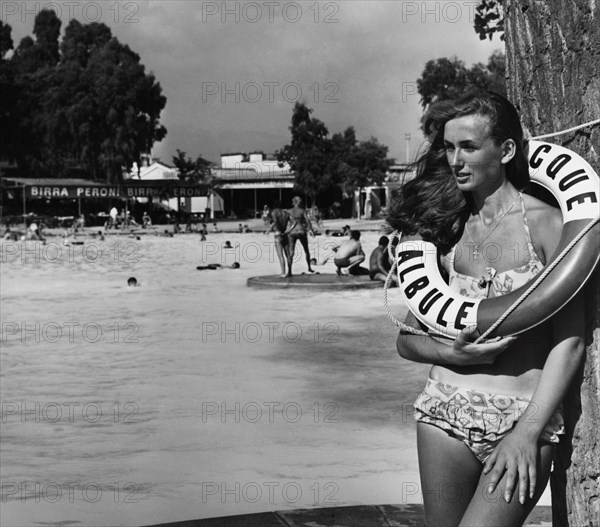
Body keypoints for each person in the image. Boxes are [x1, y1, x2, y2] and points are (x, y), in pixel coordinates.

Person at [387, 91, 584, 527]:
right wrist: (449, 354)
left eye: (469, 147)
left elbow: (569, 343)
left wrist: (529, 431)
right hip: (443, 412)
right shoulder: (447, 228)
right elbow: (407, 340)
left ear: (506, 150)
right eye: (449, 147)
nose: (455, 159)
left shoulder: (548, 224)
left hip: (520, 417)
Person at [286, 196, 315, 276]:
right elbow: (308, 221)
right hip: (301, 230)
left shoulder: (289, 211)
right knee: (306, 250)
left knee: (291, 252)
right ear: (298, 202)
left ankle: (289, 271)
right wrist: (311, 230)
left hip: (292, 232)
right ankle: (309, 267)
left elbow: (286, 221)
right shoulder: (302, 211)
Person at [269, 201, 292, 277]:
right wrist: (288, 230)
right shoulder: (286, 213)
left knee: (280, 256)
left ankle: (283, 272)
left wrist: (279, 230)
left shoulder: (274, 212)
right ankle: (289, 272)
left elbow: (276, 221)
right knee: (288, 255)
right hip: (285, 234)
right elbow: (294, 222)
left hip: (278, 234)